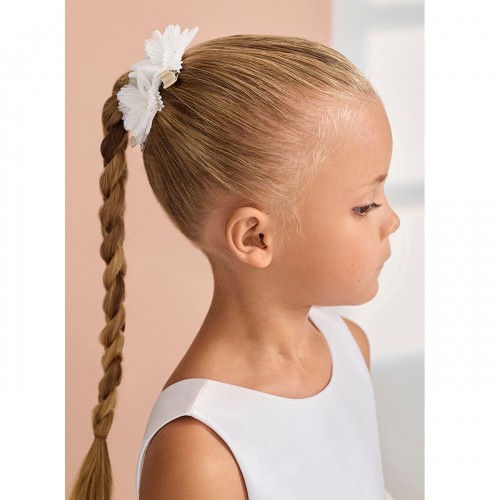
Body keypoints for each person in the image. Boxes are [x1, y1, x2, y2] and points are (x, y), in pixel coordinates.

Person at [69, 24, 400, 500]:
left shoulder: (349, 347)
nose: (392, 220)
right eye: (366, 206)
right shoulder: (200, 449)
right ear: (256, 237)